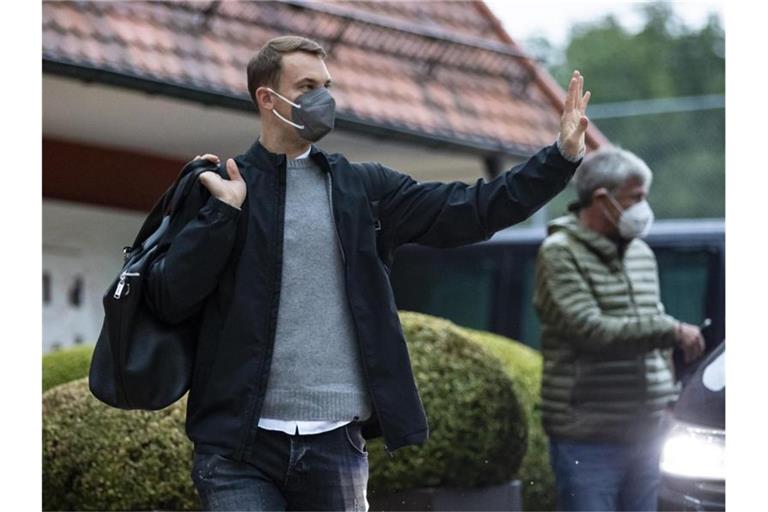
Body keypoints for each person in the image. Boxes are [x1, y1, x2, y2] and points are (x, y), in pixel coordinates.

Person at [144, 34, 591, 511]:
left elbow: (472, 209)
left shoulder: (363, 188)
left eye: (327, 85)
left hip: (336, 445)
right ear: (267, 99)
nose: (323, 98)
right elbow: (169, 296)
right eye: (307, 85)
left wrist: (558, 159)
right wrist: (221, 217)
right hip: (237, 449)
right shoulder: (221, 188)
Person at [533, 146, 706, 512]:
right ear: (602, 199)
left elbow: (651, 335)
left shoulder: (641, 252)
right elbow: (591, 330)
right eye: (636, 198)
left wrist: (668, 397)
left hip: (648, 432)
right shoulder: (558, 253)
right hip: (588, 438)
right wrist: (671, 330)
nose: (644, 208)